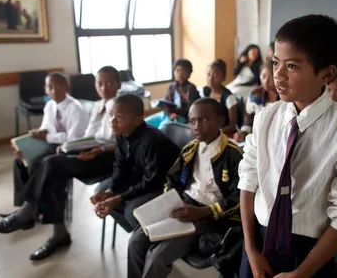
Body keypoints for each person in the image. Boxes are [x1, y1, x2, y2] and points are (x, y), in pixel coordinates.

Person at [238, 15, 337, 278]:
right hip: (258, 239)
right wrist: (251, 250)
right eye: (275, 62)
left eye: (292, 66)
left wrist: (301, 273)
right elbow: (248, 181)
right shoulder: (266, 118)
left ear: (327, 74)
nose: (277, 75)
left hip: (309, 255)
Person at [0, 66, 122, 260]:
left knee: (51, 164)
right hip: (89, 151)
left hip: (106, 159)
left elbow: (121, 143)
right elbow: (89, 136)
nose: (104, 87)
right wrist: (73, 146)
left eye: (109, 83)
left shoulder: (120, 107)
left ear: (118, 84)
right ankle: (59, 234)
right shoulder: (98, 106)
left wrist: (96, 149)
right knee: (54, 171)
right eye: (100, 83)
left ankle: (27, 213)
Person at [127, 98, 243, 278]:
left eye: (203, 119)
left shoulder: (233, 154)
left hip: (209, 215)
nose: (196, 126)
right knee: (135, 241)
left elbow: (239, 197)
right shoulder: (190, 149)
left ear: (221, 121)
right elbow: (172, 179)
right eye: (192, 121)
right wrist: (171, 201)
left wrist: (202, 212)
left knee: (156, 256)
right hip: (183, 204)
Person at [91, 93, 181, 230]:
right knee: (102, 191)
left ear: (138, 120)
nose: (112, 121)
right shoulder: (121, 134)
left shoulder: (152, 141)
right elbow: (120, 167)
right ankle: (136, 230)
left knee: (132, 211)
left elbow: (152, 181)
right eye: (111, 115)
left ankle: (145, 237)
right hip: (143, 176)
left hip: (167, 185)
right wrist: (111, 190)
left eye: (119, 117)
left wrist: (120, 197)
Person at [12, 72, 88, 207]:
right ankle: (22, 205)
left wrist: (47, 137)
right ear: (45, 90)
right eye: (50, 87)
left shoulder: (76, 108)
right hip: (50, 143)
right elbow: (46, 128)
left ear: (67, 88)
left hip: (67, 147)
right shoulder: (50, 106)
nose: (54, 90)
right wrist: (39, 132)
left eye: (59, 87)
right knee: (19, 160)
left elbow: (73, 139)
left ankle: (31, 207)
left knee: (35, 162)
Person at [145, 59, 200, 129]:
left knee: (162, 128)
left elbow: (190, 109)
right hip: (167, 114)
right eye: (177, 70)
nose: (180, 73)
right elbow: (166, 103)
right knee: (145, 123)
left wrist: (174, 113)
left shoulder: (191, 88)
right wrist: (167, 110)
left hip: (181, 117)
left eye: (184, 71)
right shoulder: (172, 87)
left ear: (189, 73)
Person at [234, 60, 279, 143]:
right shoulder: (255, 94)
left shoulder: (285, 97)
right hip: (258, 139)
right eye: (263, 76)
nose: (266, 81)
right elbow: (248, 120)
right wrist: (243, 133)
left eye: (272, 77)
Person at [204, 59, 239, 136]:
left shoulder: (229, 97)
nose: (210, 78)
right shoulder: (205, 91)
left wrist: (215, 132)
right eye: (208, 74)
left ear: (223, 78)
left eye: (215, 75)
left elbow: (233, 126)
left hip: (224, 134)